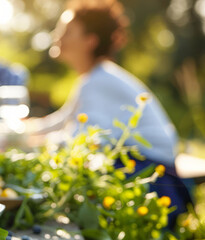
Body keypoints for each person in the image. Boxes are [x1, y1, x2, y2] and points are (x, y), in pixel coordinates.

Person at [26, 0, 191, 226]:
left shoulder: (99, 81)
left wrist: (19, 142)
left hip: (150, 178)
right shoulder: (94, 77)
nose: (57, 36)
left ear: (90, 41)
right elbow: (59, 121)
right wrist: (16, 130)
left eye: (67, 31)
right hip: (148, 169)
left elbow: (81, 141)